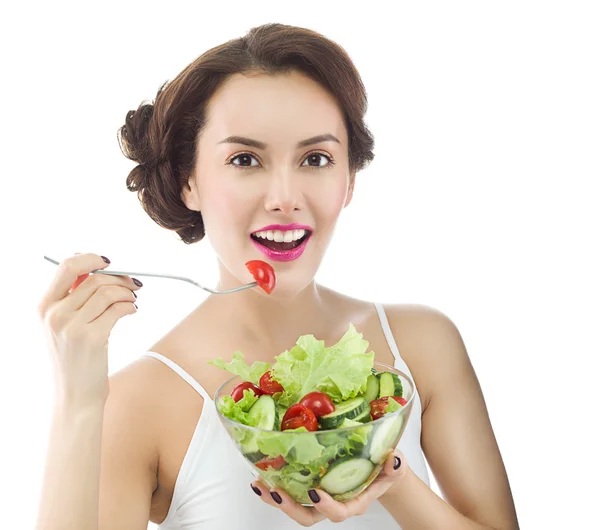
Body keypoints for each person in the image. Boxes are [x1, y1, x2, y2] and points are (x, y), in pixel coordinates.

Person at [35, 23, 519, 530]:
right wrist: (78, 400)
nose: (285, 197)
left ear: (349, 180)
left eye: (316, 158)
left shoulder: (422, 344)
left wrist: (381, 474)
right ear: (188, 182)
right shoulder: (139, 400)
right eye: (245, 159)